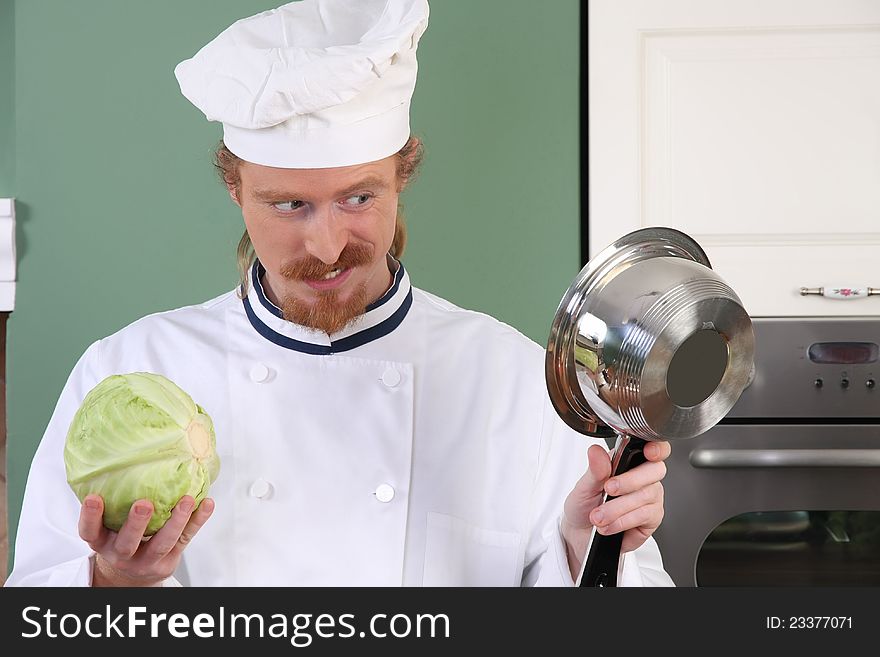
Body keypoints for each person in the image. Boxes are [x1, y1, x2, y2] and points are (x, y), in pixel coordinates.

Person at [6, 0, 673, 587]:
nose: (327, 244)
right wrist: (113, 583)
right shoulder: (133, 369)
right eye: (289, 204)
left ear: (401, 174)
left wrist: (587, 547)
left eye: (358, 197)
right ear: (236, 190)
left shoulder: (516, 382)